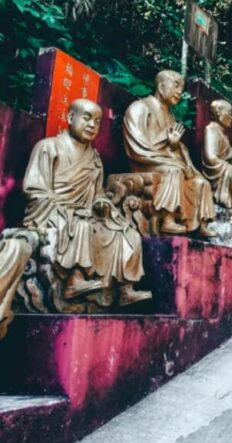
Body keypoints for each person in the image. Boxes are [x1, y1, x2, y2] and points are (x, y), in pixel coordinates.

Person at [24, 99, 151, 307]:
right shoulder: (48, 147)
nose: (92, 125)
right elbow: (34, 188)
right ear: (70, 118)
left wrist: (102, 203)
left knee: (127, 232)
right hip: (53, 209)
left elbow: (97, 194)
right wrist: (65, 207)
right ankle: (74, 281)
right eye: (87, 118)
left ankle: (125, 288)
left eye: (98, 121)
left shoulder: (94, 158)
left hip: (84, 212)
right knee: (81, 222)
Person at [123, 70, 215, 236]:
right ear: (161, 86)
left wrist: (174, 146)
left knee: (201, 182)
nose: (180, 92)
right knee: (174, 170)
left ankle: (200, 224)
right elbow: (136, 145)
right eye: (176, 85)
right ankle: (167, 219)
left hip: (166, 161)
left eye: (182, 87)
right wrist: (166, 143)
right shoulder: (140, 108)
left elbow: (177, 148)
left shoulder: (171, 117)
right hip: (144, 163)